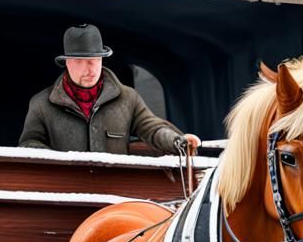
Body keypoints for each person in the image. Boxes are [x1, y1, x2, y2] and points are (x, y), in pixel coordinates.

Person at [19, 24, 200, 156]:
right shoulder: (41, 104)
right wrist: (56, 160)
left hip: (114, 195)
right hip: (64, 193)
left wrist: (179, 142)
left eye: (94, 61)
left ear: (102, 60)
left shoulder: (128, 99)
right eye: (80, 62)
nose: (89, 70)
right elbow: (28, 144)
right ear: (67, 62)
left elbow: (153, 129)